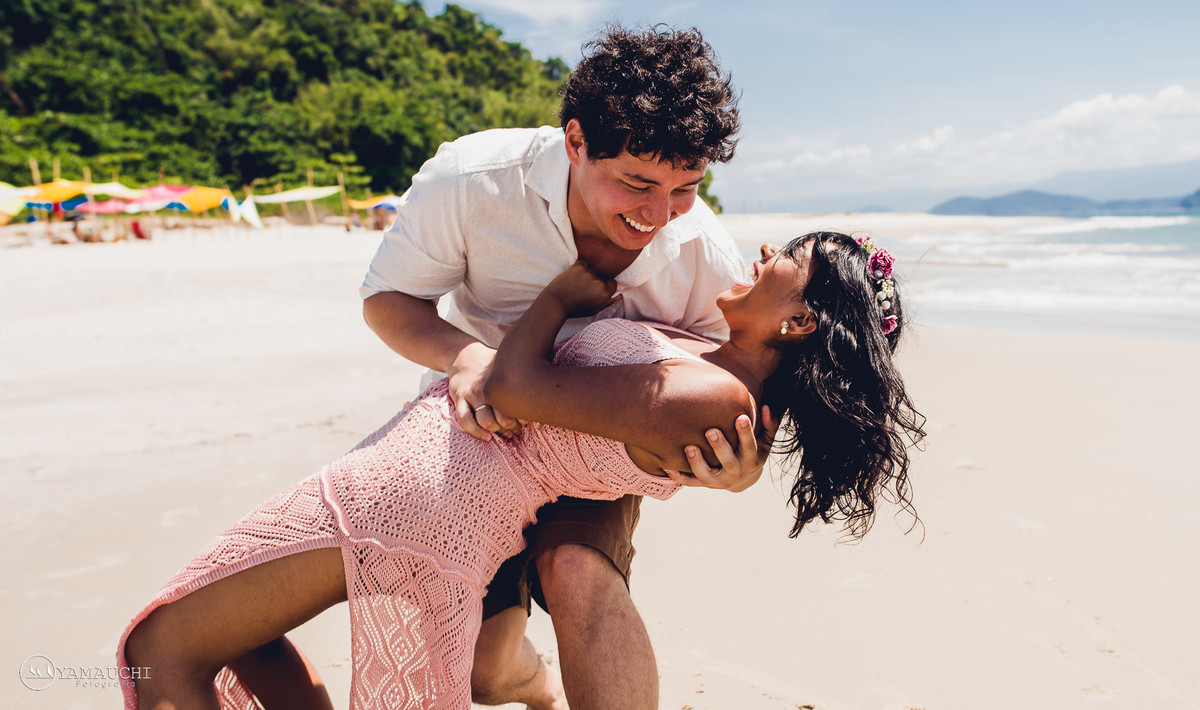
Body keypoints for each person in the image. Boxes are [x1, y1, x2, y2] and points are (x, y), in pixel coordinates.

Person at [118, 231, 925, 710]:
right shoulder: (715, 371)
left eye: (788, 256)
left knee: (164, 648)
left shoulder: (713, 396)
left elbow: (512, 388)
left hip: (419, 496)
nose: (763, 249)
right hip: (428, 490)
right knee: (234, 645)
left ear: (799, 320)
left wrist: (560, 296)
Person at [358, 24, 755, 709]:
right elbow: (389, 299)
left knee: (577, 569)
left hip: (600, 439)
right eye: (637, 183)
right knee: (484, 674)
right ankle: (537, 689)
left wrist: (741, 464)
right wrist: (467, 358)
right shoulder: (474, 181)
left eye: (685, 187)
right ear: (575, 142)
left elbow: (734, 377)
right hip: (479, 428)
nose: (659, 214)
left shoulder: (699, 248)